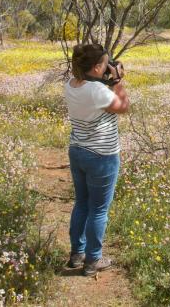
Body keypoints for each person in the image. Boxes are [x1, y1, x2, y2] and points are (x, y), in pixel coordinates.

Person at [64, 43, 130, 276]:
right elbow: (123, 107)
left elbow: (96, 94)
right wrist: (118, 80)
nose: (107, 67)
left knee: (82, 203)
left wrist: (107, 80)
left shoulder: (71, 85)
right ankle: (93, 261)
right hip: (102, 155)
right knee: (99, 210)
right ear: (95, 68)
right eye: (104, 64)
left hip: (78, 151)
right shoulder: (97, 91)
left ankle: (76, 255)